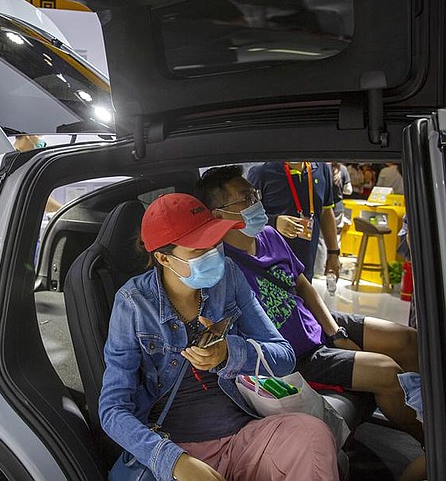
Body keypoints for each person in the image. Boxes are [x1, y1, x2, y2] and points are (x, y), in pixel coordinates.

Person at [99, 193, 339, 481]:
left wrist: (230, 354)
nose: (214, 256)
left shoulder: (229, 278)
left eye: (216, 244)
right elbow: (113, 409)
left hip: (242, 435)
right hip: (175, 445)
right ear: (164, 257)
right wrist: (173, 461)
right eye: (199, 251)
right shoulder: (134, 303)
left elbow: (284, 357)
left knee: (312, 435)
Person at [195, 165, 424, 444]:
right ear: (220, 215)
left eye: (255, 195)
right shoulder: (221, 266)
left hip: (315, 324)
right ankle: (430, 444)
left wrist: (336, 332)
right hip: (299, 355)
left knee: (408, 340)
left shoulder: (269, 235)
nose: (257, 203)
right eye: (247, 199)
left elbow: (302, 284)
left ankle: (431, 414)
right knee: (388, 371)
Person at [247, 161, 339, 281]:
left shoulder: (321, 169)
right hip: (270, 268)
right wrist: (274, 222)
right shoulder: (261, 171)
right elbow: (246, 217)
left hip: (306, 266)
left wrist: (333, 253)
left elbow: (326, 212)